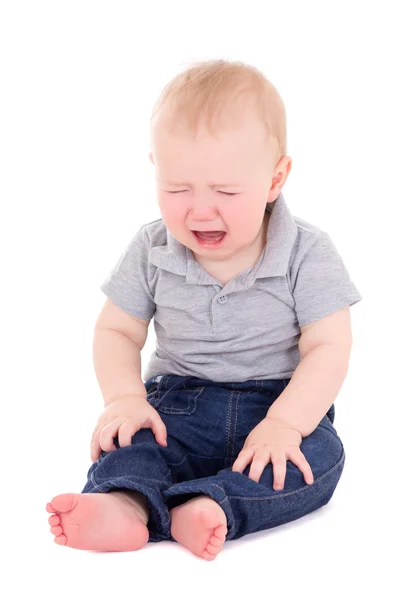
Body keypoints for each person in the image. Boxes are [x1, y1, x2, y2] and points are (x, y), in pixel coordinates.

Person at [46, 59, 362, 560]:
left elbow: (329, 346)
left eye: (226, 192)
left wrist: (286, 422)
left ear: (275, 178)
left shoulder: (307, 251)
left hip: (278, 405)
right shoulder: (151, 248)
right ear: (156, 170)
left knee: (320, 461)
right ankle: (126, 503)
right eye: (177, 189)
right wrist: (124, 399)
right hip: (180, 403)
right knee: (132, 445)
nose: (199, 210)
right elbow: (116, 331)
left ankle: (211, 504)